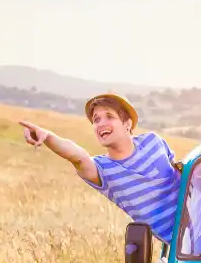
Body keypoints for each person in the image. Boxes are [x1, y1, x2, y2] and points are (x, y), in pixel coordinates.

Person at [19, 93, 181, 243]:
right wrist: (47, 136)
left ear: (127, 124)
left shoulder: (153, 141)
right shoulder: (103, 170)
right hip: (185, 249)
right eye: (96, 120)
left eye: (109, 116)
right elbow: (77, 155)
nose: (101, 123)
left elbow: (182, 173)